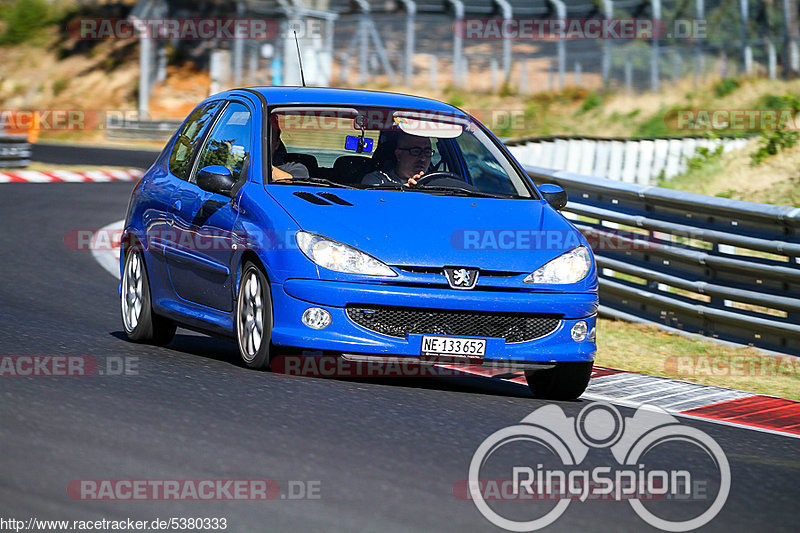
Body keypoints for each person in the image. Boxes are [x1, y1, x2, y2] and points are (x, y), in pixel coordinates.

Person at [362, 132, 434, 187]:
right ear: (399, 154)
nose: (423, 158)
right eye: (416, 151)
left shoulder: (437, 183)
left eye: (427, 152)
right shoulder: (376, 181)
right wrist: (405, 190)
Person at [269, 114, 309, 181]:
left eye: (269, 140)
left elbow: (293, 183)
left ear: (277, 144)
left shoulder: (296, 169)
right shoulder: (246, 166)